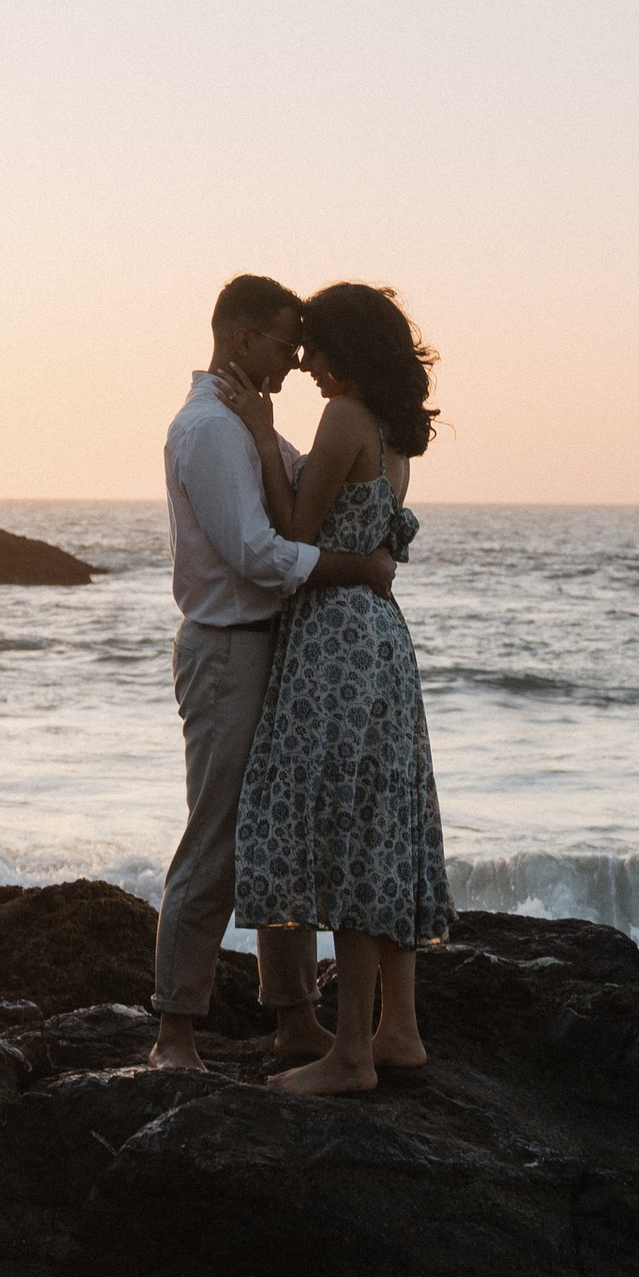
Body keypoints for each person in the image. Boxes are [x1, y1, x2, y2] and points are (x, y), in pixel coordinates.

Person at [150, 275, 400, 1071]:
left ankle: (294, 1019)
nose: (297, 359)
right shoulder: (210, 431)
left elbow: (299, 485)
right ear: (242, 339)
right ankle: (174, 1032)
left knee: (279, 835)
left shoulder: (246, 424)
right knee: (219, 840)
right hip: (229, 650)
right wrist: (359, 568)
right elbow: (258, 552)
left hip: (272, 645)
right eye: (287, 341)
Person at [215, 280, 449, 1099]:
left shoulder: (344, 417)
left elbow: (291, 534)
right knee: (384, 822)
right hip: (383, 641)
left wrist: (259, 431)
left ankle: (350, 1055)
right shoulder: (393, 432)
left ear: (345, 349)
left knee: (344, 834)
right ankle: (399, 1031)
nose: (305, 363)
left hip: (335, 640)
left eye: (314, 346)